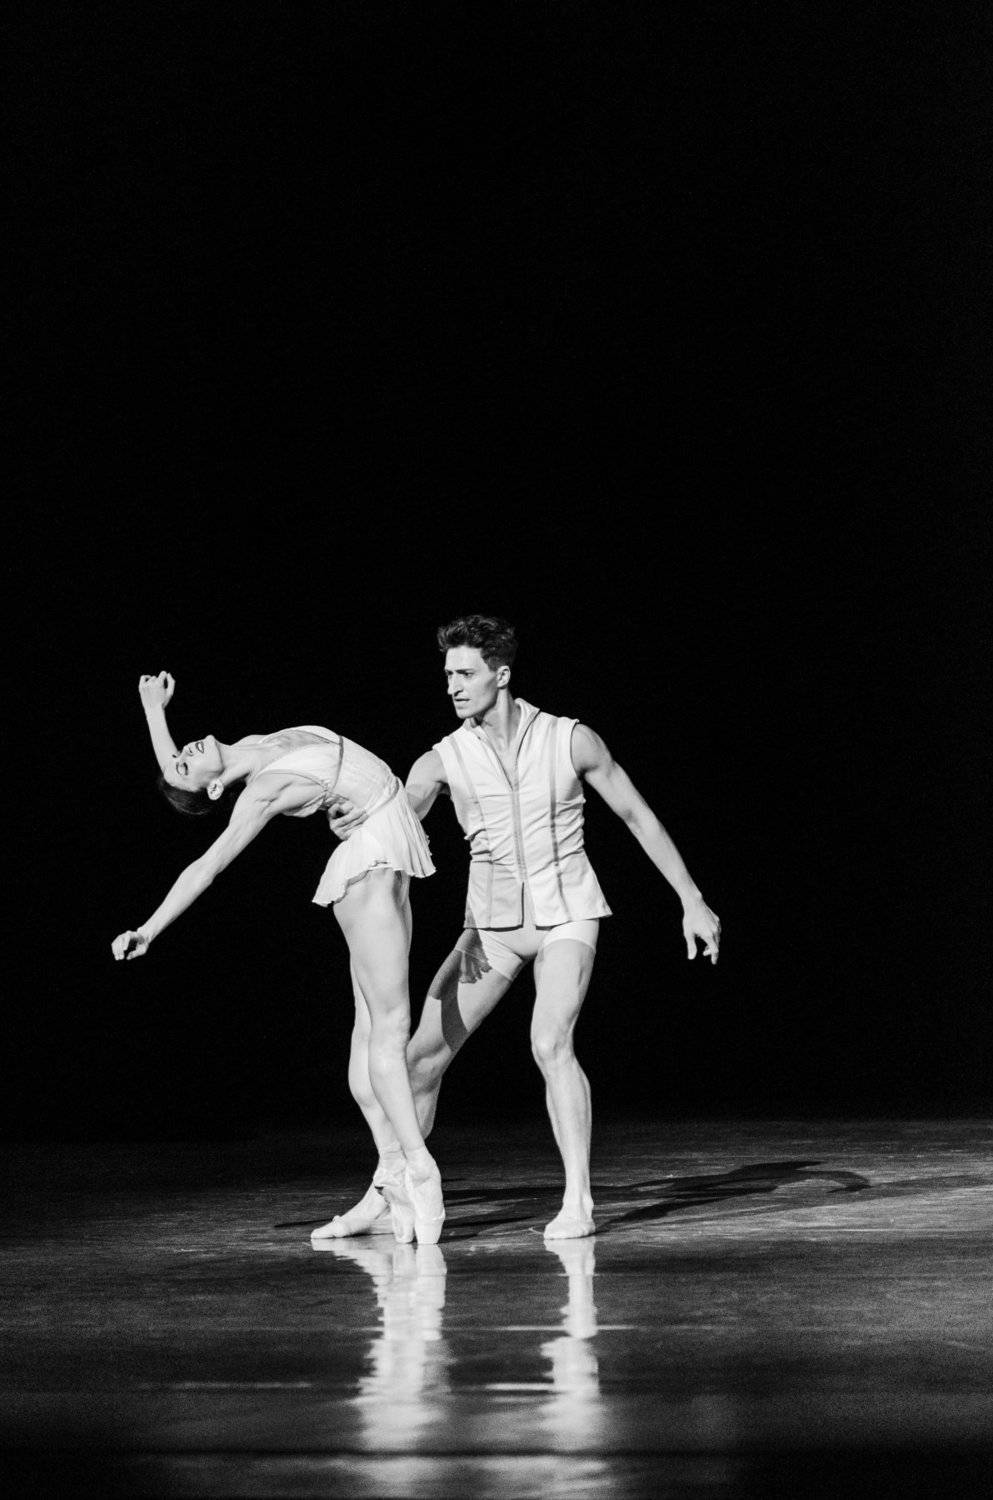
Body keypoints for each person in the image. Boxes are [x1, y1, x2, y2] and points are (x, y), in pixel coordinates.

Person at [314, 615, 720, 1243]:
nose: (452, 685)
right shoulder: (441, 759)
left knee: (549, 1041)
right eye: (447, 674)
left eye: (465, 673)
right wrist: (354, 821)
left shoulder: (569, 739)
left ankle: (578, 1200)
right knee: (417, 1062)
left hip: (567, 914)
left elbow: (637, 815)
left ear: (501, 675)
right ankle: (387, 1191)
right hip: (489, 930)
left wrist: (691, 899)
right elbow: (393, 818)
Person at [110, 672, 445, 1245]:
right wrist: (149, 928)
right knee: (390, 1033)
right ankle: (419, 1168)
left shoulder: (256, 744)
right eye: (187, 765)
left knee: (370, 1041)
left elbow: (177, 772)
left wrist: (152, 708)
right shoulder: (259, 792)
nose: (185, 753)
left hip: (384, 853)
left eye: (182, 755)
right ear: (215, 791)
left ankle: (389, 1182)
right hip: (368, 870)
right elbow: (207, 865)